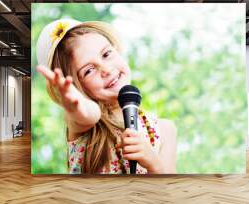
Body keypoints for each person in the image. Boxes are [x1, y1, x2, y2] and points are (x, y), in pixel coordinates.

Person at [36, 18, 177, 174]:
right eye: (88, 70)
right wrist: (75, 105)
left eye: (106, 54)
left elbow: (169, 191)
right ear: (78, 88)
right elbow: (90, 114)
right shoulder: (82, 126)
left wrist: (154, 163)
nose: (106, 69)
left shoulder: (165, 129)